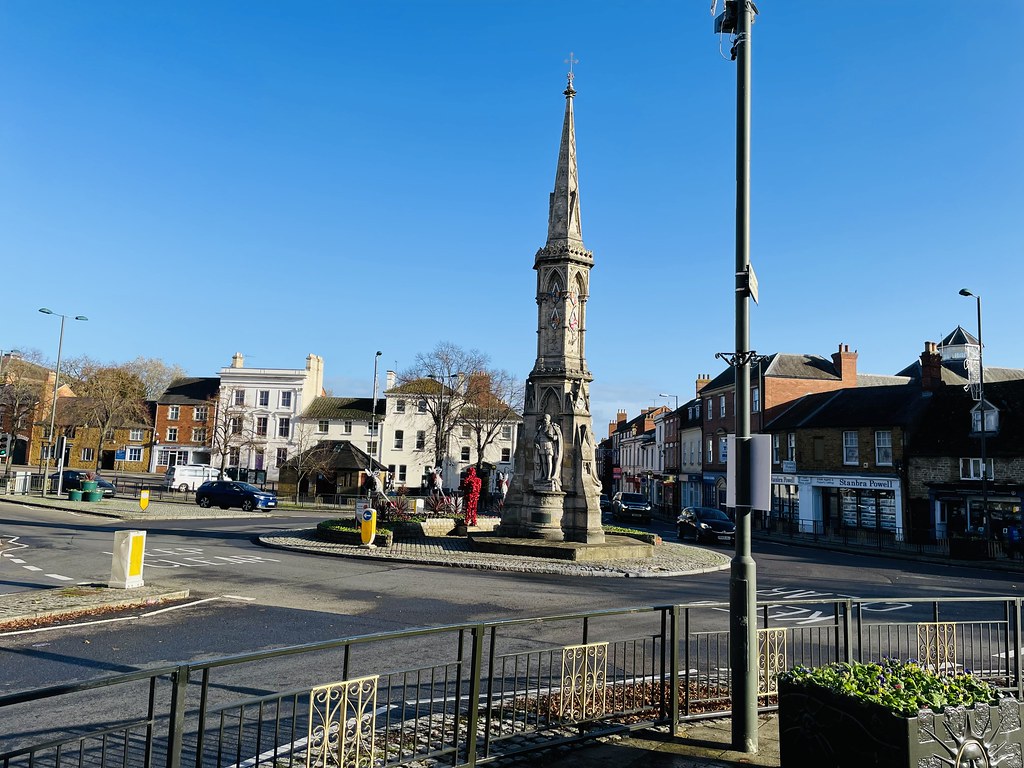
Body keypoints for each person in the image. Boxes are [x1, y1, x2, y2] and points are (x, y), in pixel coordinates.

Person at [534, 414, 563, 484]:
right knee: (543, 462)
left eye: (546, 418)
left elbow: (557, 437)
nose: (545, 420)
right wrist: (536, 443)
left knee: (549, 461)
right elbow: (537, 438)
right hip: (541, 445)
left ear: (549, 419)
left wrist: (552, 437)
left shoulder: (552, 427)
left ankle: (549, 476)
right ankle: (545, 475)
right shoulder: (540, 428)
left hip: (549, 445)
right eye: (544, 418)